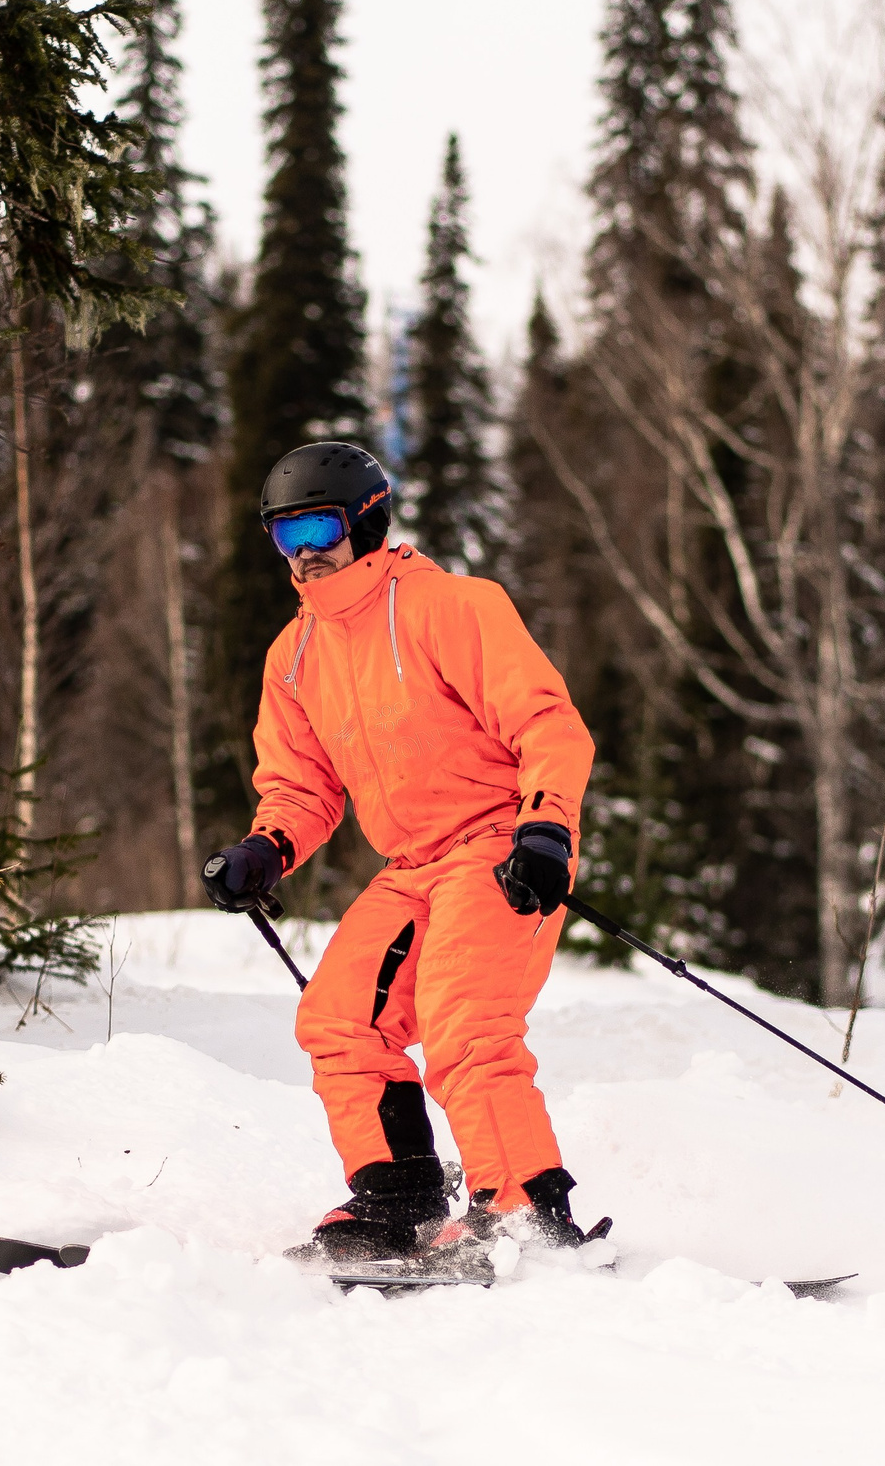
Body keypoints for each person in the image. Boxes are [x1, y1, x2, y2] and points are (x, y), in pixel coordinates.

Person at [201, 441, 598, 1263]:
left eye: (318, 526)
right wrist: (266, 849)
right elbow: (302, 785)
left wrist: (547, 826)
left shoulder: (450, 607)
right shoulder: (295, 654)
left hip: (500, 843)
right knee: (340, 1020)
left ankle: (526, 1213)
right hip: (413, 864)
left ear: (367, 521)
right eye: (284, 535)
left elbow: (546, 723)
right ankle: (401, 1199)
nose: (304, 552)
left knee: (467, 1024)